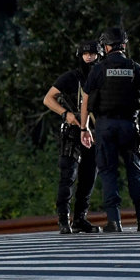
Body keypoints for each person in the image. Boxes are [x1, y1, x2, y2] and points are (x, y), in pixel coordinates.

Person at [80, 26, 140, 232]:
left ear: (106, 47)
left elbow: (85, 102)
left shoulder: (98, 70)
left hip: (105, 127)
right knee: (135, 171)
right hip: (129, 126)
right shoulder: (135, 68)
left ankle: (115, 221)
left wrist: (84, 128)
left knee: (108, 173)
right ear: (123, 45)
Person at [42, 39, 102, 234]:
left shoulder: (102, 77)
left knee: (89, 176)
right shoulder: (72, 77)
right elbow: (48, 98)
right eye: (86, 54)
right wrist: (65, 114)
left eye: (93, 54)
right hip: (73, 131)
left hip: (94, 132)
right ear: (80, 55)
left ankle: (79, 219)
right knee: (68, 175)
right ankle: (63, 219)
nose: (89, 57)